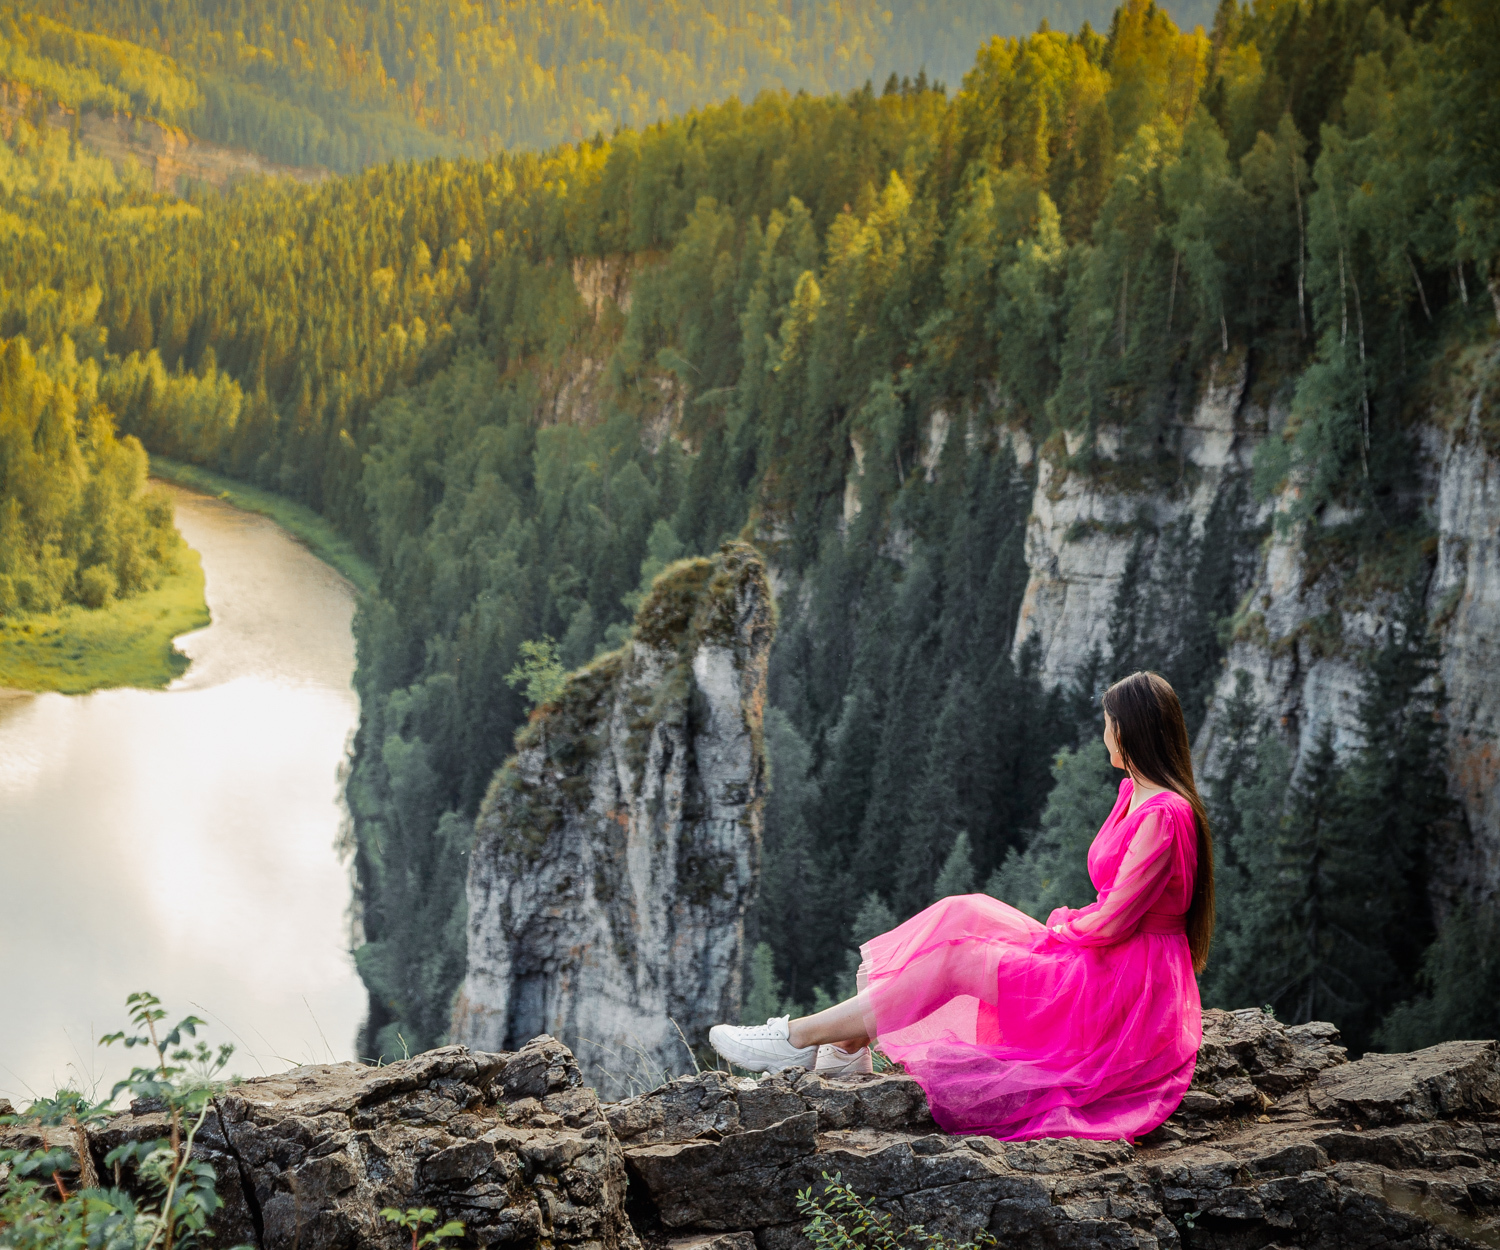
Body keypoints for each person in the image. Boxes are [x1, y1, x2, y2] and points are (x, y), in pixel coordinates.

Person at [709, 669, 1214, 1141]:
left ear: (1128, 732)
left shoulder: (1164, 814)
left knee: (957, 960)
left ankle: (797, 1040)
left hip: (1123, 986)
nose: (1103, 735)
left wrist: (1059, 928)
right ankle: (845, 1046)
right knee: (964, 909)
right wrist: (1067, 929)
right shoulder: (1134, 793)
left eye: (1107, 725)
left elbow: (1114, 922)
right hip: (1106, 956)